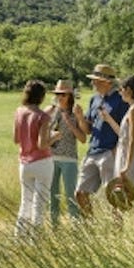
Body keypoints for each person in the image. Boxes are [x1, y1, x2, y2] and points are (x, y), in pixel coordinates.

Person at [74, 64, 130, 217]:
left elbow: (126, 130)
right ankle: (90, 229)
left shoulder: (121, 100)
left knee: (113, 196)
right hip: (93, 151)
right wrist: (79, 117)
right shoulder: (94, 99)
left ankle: (116, 232)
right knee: (80, 193)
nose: (93, 83)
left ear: (107, 82)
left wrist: (117, 150)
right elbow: (88, 130)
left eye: (96, 80)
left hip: (110, 152)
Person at [14, 80, 60, 236]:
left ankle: (19, 236)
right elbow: (42, 144)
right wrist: (55, 136)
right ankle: (36, 240)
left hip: (24, 163)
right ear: (41, 97)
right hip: (42, 163)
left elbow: (16, 139)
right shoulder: (43, 117)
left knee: (25, 202)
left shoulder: (19, 112)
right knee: (39, 205)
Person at [100, 75, 134, 210]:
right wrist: (108, 119)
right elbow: (124, 135)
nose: (120, 92)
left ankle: (121, 230)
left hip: (130, 158)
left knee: (124, 197)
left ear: (128, 90)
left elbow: (132, 139)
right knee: (133, 197)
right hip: (132, 155)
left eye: (121, 89)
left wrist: (126, 166)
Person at [46, 79, 89, 223]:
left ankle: (75, 228)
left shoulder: (76, 111)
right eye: (58, 94)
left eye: (63, 94)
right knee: (53, 196)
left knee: (71, 195)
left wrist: (72, 124)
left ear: (70, 96)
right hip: (52, 158)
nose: (60, 97)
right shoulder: (52, 111)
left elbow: (83, 139)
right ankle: (54, 227)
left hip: (69, 159)